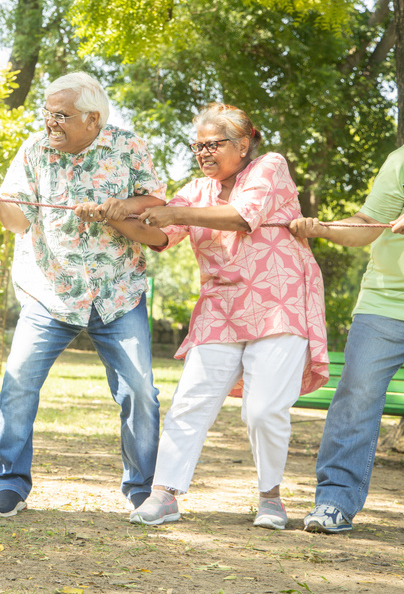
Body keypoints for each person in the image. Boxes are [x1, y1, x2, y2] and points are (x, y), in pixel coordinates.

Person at [0, 72, 166, 517]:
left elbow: (158, 212)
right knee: (17, 385)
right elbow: (19, 222)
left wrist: (123, 209)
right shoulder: (34, 151)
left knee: (139, 391)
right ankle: (10, 485)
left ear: (93, 119)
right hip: (49, 292)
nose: (50, 123)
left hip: (117, 293)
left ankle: (141, 489)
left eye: (61, 116)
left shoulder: (128, 147)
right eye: (47, 114)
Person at [128, 103, 329, 530]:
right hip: (220, 308)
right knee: (190, 401)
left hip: (279, 302)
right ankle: (164, 495)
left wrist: (173, 212)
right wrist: (118, 219)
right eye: (197, 146)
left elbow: (243, 217)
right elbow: (161, 235)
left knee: (261, 411)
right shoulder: (196, 190)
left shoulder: (269, 168)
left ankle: (270, 498)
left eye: (212, 145)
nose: (203, 153)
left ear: (243, 144)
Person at [290, 144, 404, 533]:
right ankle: (334, 501)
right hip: (387, 301)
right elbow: (368, 222)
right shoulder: (403, 159)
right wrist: (323, 228)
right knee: (357, 395)